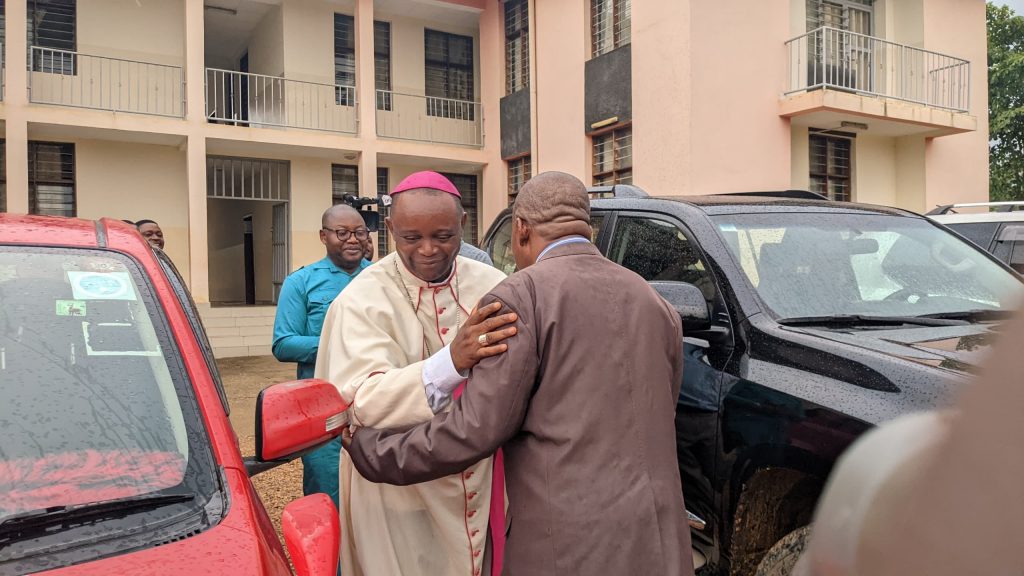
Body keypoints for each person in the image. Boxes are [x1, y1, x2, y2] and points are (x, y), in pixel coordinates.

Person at [342, 171, 695, 576]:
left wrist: (374, 453)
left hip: (568, 537)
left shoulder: (521, 295)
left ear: (521, 229)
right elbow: (661, 407)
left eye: (442, 236)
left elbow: (475, 429)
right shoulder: (655, 301)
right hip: (658, 531)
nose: (428, 250)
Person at [314, 171, 516, 576]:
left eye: (443, 236)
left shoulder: (494, 284)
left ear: (463, 225)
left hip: (482, 478)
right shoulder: (360, 300)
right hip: (398, 492)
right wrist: (452, 361)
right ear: (390, 229)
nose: (428, 250)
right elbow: (361, 402)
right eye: (411, 237)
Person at [272, 204, 370, 507]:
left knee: (376, 500)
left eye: (359, 232)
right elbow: (283, 344)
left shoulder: (382, 278)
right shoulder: (300, 282)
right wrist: (338, 344)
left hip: (375, 405)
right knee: (327, 495)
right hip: (323, 409)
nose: (352, 239)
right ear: (323, 236)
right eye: (342, 233)